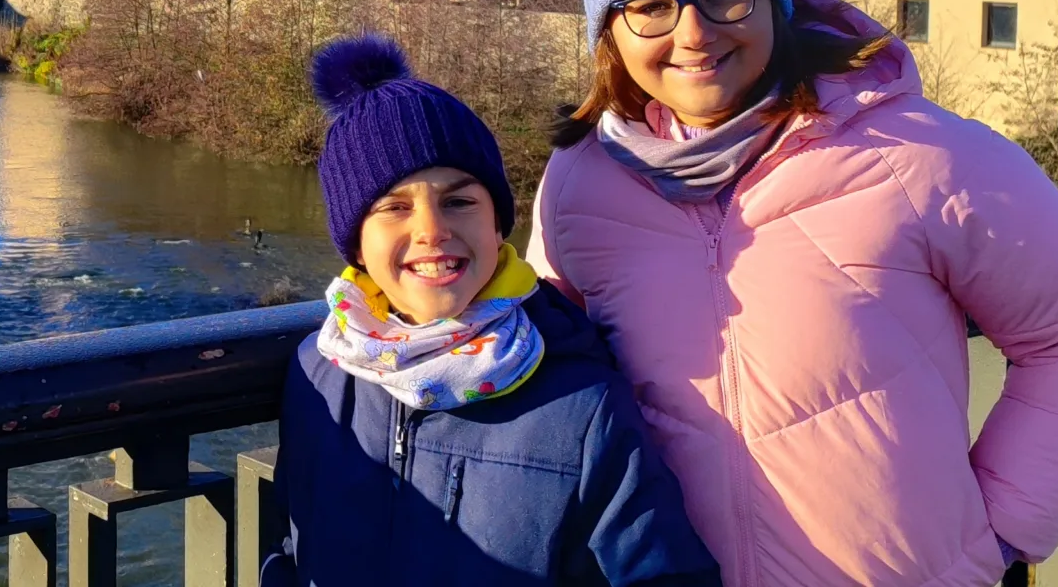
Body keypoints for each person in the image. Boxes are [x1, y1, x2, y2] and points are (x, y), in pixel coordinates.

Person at [527, 0, 1058, 586]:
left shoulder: (917, 153)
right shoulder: (581, 181)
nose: (693, 32)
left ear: (774, 1)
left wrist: (1001, 537)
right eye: (650, 5)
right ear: (608, 33)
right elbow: (548, 370)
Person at [270, 34, 720, 587]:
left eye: (459, 201)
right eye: (394, 208)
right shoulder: (317, 375)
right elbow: (291, 545)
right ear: (356, 245)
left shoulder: (581, 406)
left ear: (497, 225)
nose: (432, 231)